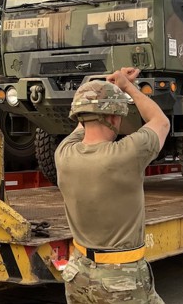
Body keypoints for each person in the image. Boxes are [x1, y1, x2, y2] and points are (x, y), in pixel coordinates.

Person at [55, 67, 170, 303]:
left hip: (78, 273)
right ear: (114, 118)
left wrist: (103, 94)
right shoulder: (126, 153)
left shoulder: (64, 153)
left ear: (80, 116)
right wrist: (127, 87)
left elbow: (83, 126)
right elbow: (160, 122)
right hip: (120, 280)